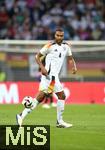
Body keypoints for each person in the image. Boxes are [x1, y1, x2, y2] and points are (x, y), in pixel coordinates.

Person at [16, 28, 77, 128]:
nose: (59, 37)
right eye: (57, 35)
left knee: (40, 98)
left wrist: (74, 66)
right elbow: (37, 56)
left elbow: (70, 58)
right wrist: (42, 67)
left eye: (61, 36)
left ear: (63, 36)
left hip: (52, 76)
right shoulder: (49, 46)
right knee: (62, 96)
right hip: (49, 76)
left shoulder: (66, 46)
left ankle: (21, 116)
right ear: (54, 35)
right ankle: (59, 121)